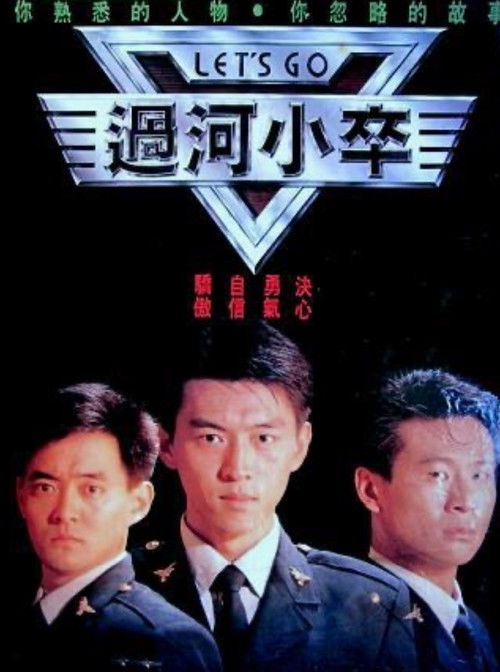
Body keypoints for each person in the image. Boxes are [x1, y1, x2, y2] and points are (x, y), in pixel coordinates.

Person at [135, 320, 420, 672]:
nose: (237, 469)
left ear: (300, 445)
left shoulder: (371, 607)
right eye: (211, 438)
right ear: (165, 445)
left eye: (263, 438)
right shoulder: (113, 587)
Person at [12, 382, 222, 672]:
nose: (64, 512)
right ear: (21, 497)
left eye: (92, 489)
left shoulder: (165, 641)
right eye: (45, 488)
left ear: (138, 502)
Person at [355, 369, 499, 672]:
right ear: (370, 490)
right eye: (438, 475)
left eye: (479, 475)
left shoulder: (473, 628)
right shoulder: (351, 632)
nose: (465, 501)